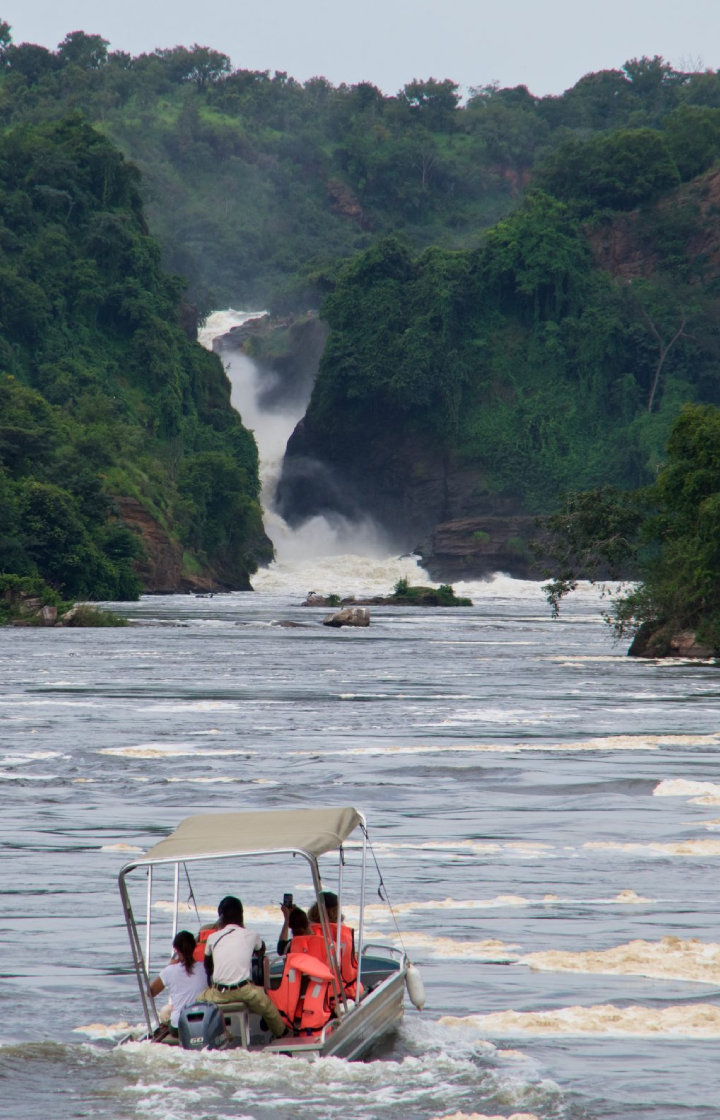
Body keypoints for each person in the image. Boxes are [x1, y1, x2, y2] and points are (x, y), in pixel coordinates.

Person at [201, 895, 286, 1038]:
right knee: (269, 1010)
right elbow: (261, 950)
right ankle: (283, 1036)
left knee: (198, 1000)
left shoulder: (212, 938)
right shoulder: (251, 935)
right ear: (241, 915)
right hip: (244, 990)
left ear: (220, 917)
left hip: (218, 992)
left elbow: (207, 967)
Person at [149, 931, 207, 1036]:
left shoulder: (170, 970)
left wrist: (168, 966)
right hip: (202, 1022)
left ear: (177, 950)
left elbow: (150, 992)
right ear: (194, 947)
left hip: (179, 1027)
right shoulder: (205, 968)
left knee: (166, 1014)